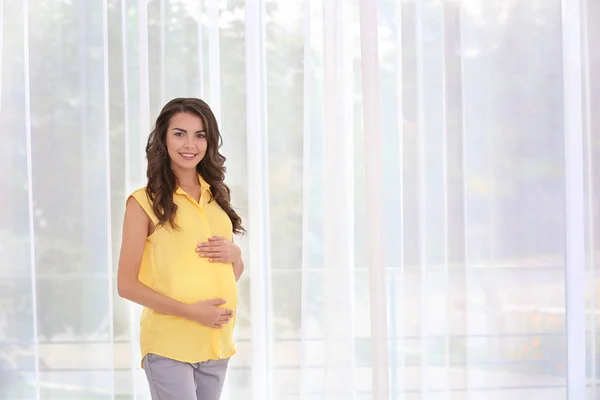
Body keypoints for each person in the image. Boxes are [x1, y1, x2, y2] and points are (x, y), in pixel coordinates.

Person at [117, 98, 245, 400]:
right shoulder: (142, 203)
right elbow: (126, 285)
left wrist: (236, 257)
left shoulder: (217, 198)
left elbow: (228, 275)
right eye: (179, 133)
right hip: (169, 344)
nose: (190, 144)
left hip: (216, 340)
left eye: (200, 135)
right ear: (163, 137)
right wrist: (191, 313)